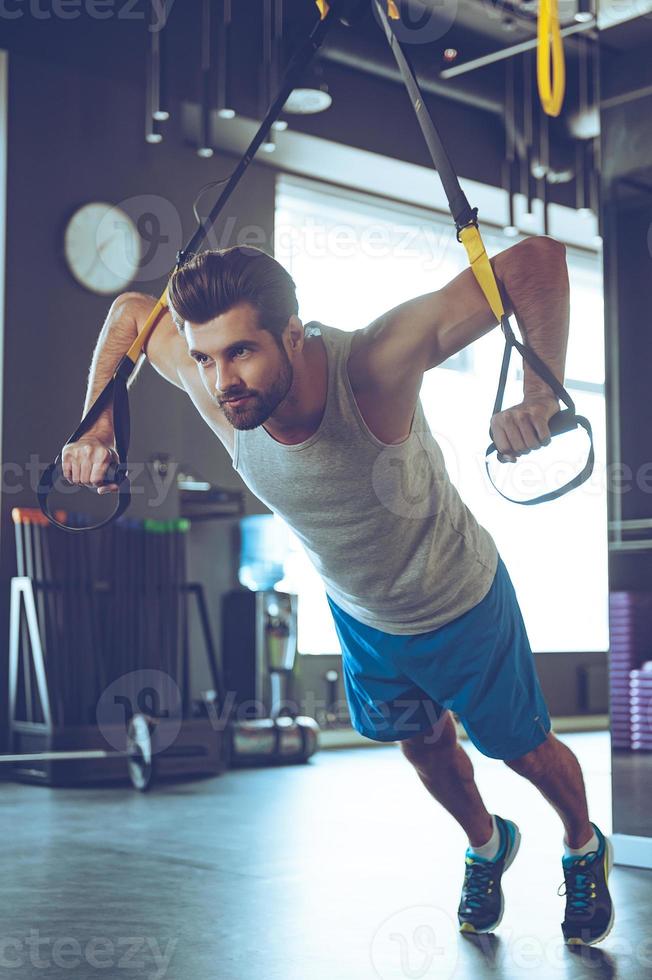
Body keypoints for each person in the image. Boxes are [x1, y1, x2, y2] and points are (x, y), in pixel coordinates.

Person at [63, 239, 614, 946]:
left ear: (292, 332)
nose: (221, 380)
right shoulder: (217, 385)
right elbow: (133, 312)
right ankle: (486, 844)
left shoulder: (376, 365)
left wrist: (540, 395)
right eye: (204, 357)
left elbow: (537, 260)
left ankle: (580, 842)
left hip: (459, 599)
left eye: (241, 352)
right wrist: (97, 420)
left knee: (524, 750)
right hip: (362, 615)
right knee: (421, 744)